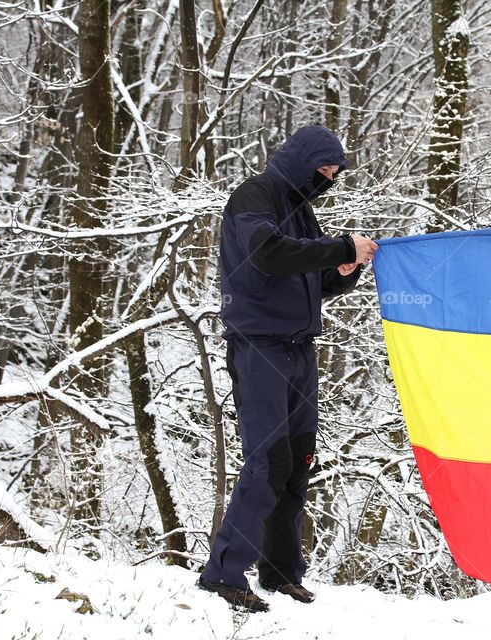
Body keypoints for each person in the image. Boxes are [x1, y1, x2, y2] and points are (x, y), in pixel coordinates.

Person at [198, 125, 378, 613]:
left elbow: (313, 282)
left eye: (335, 173)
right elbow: (268, 254)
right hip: (259, 348)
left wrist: (344, 270)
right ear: (300, 160)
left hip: (300, 349)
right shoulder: (254, 195)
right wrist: (342, 248)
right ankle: (223, 574)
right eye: (322, 169)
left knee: (297, 461)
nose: (329, 178)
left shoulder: (305, 211)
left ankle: (280, 574)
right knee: (267, 461)